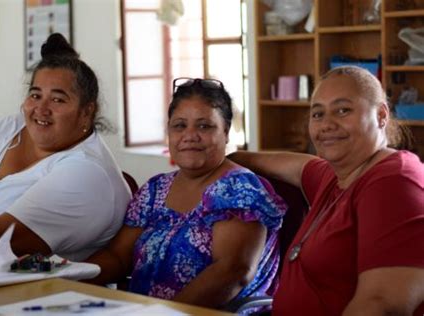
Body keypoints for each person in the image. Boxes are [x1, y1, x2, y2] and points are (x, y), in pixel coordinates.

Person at [230, 66, 424, 315]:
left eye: (343, 110)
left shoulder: (394, 181)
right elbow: (293, 166)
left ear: (381, 115)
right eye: (317, 114)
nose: (327, 124)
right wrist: (225, 159)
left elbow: (381, 305)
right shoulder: (336, 176)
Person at [86, 78, 287, 309]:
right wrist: (67, 278)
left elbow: (233, 272)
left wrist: (164, 314)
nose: (190, 135)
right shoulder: (154, 190)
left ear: (226, 132)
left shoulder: (239, 190)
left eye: (204, 126)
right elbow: (118, 257)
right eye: (180, 125)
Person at [0, 33, 131, 262]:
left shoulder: (87, 172)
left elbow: (0, 236)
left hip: (34, 293)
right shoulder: (8, 128)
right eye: (35, 95)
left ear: (87, 112)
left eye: (58, 100)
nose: (41, 109)